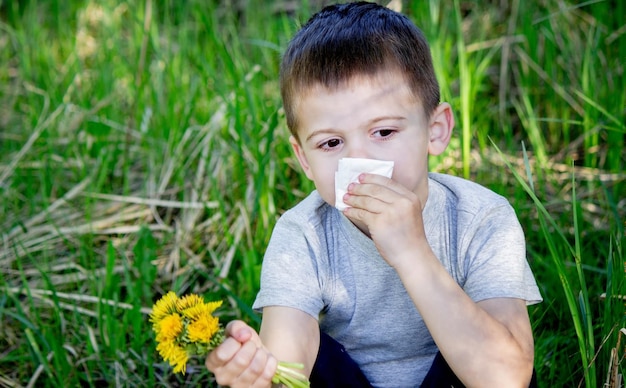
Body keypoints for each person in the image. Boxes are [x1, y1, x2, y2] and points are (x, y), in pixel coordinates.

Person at [205, 2, 542, 387]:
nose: (359, 161)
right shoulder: (303, 234)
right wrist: (255, 373)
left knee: (491, 344)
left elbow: (507, 378)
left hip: (454, 377)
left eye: (383, 133)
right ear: (304, 159)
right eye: (331, 142)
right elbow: (289, 355)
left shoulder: (482, 218)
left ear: (435, 130)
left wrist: (412, 253)